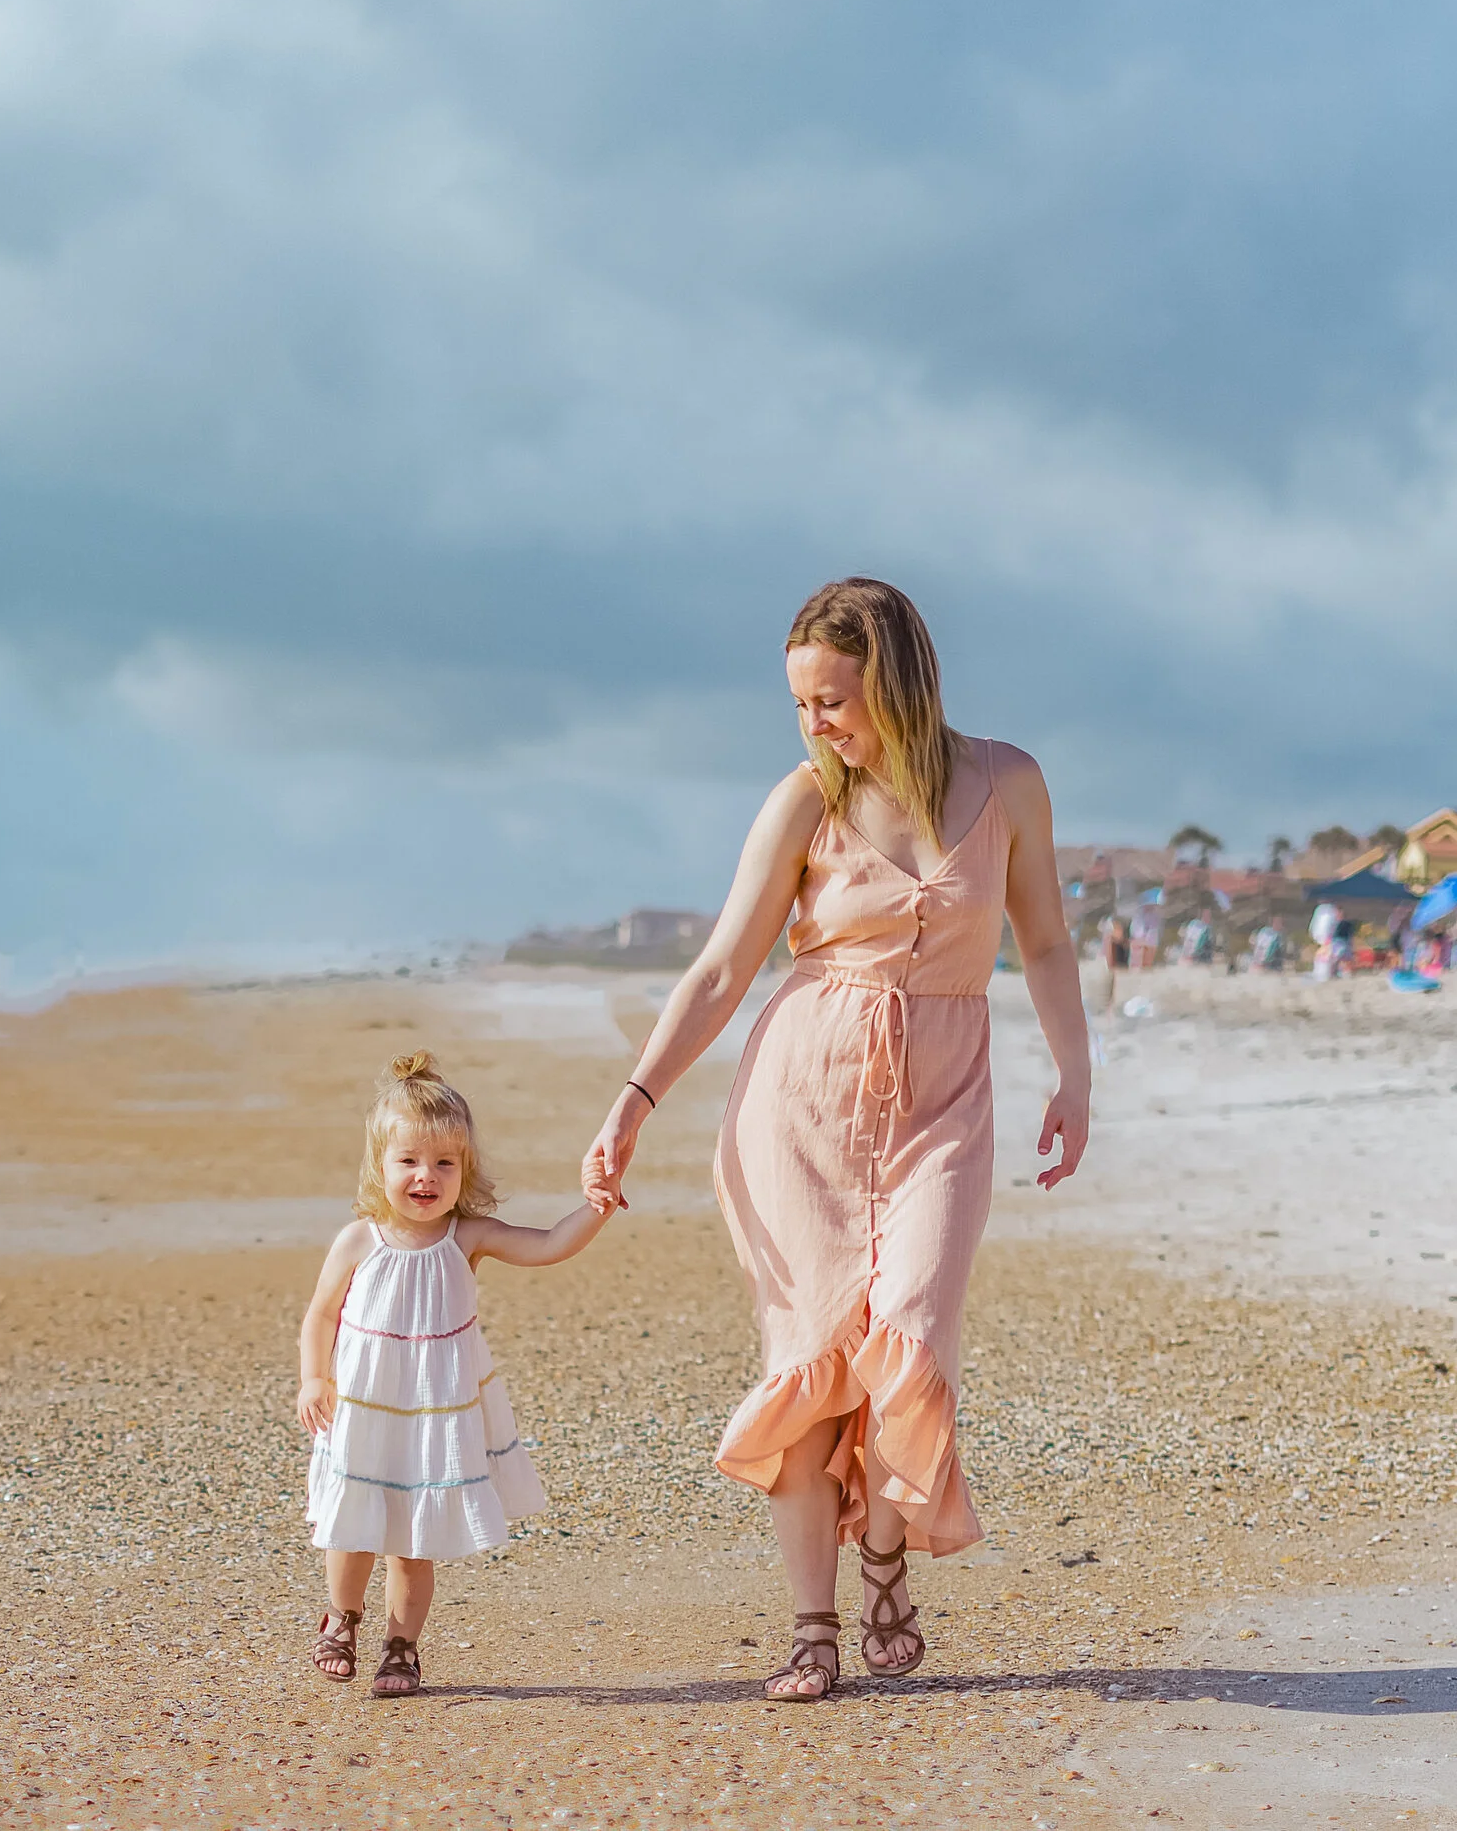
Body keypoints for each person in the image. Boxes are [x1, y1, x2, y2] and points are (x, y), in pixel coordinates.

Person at [581, 579, 1091, 1703]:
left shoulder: (1008, 782)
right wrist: (633, 1100)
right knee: (811, 1359)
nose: (814, 723)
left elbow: (1046, 941)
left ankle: (885, 1556)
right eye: (800, 703)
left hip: (943, 1102)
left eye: (831, 699)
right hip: (802, 1104)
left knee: (912, 1330)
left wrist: (1075, 1073)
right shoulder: (804, 802)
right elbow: (722, 967)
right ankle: (813, 1624)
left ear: (895, 681)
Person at [299, 1051, 614, 1697]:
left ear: (465, 1168)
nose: (427, 1175)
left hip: (431, 1418)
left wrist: (597, 1208)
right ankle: (342, 1618)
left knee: (413, 1544)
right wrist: (313, 1379)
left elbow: (548, 1244)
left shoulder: (466, 1237)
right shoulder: (359, 1239)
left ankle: (401, 1647)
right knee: (352, 1528)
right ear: (380, 1166)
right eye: (409, 1161)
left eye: (445, 1162)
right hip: (365, 1409)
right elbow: (320, 1314)